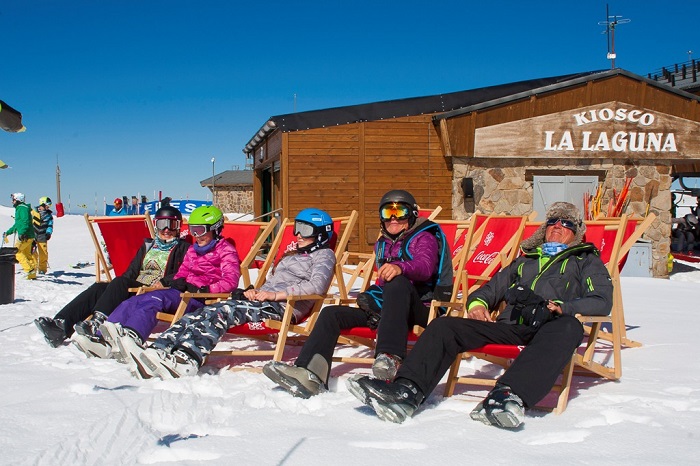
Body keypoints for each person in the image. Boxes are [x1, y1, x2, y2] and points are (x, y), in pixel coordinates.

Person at [345, 202, 614, 429]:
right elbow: (488, 290)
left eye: (566, 223)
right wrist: (477, 304)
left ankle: (509, 396)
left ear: (576, 233)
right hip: (510, 327)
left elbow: (602, 301)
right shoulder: (525, 261)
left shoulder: (585, 261)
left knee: (569, 327)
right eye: (553, 221)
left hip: (550, 328)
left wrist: (563, 307)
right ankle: (405, 391)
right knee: (444, 325)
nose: (558, 226)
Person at [263, 190, 452, 399]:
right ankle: (310, 373)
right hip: (390, 310)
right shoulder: (384, 243)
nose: (393, 218)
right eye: (388, 211)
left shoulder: (424, 237)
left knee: (397, 283)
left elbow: (424, 266)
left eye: (401, 212)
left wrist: (400, 268)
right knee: (331, 314)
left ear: (412, 214)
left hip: (423, 309)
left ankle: (390, 357)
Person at [115, 208, 337, 379]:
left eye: (305, 230)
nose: (297, 234)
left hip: (283, 307)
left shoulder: (324, 255)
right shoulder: (292, 256)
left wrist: (273, 296)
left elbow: (316, 287)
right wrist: (257, 292)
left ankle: (187, 358)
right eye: (296, 227)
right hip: (262, 301)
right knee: (202, 313)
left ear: (320, 234)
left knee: (222, 312)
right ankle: (161, 349)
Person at [75, 205, 241, 359]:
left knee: (155, 301)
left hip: (199, 297)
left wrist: (204, 289)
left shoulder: (226, 250)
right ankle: (104, 336)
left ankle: (133, 335)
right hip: (182, 292)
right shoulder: (192, 250)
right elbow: (181, 273)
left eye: (200, 230)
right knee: (135, 300)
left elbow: (230, 281)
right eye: (192, 231)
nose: (196, 236)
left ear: (216, 229)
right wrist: (178, 281)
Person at [34, 205, 190, 347]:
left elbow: (187, 271)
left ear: (178, 227)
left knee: (119, 283)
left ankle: (97, 323)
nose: (167, 229)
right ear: (156, 225)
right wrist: (116, 286)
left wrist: (164, 281)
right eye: (162, 224)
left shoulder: (184, 248)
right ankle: (60, 325)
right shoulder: (148, 245)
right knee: (99, 287)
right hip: (135, 286)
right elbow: (132, 270)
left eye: (172, 224)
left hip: (152, 291)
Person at [3, 193, 37, 279]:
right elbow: (17, 224)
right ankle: (32, 274)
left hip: (26, 235)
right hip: (28, 235)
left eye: (13, 200)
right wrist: (8, 232)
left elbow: (25, 221)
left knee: (16, 251)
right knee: (27, 254)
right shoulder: (20, 208)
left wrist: (22, 233)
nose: (12, 201)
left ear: (18, 200)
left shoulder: (22, 209)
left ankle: (29, 270)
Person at [32, 196, 54, 275]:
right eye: (48, 205)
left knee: (43, 254)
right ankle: (33, 268)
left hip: (42, 236)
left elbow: (50, 225)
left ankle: (42, 269)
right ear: (43, 204)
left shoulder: (49, 215)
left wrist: (48, 233)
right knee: (33, 253)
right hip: (33, 236)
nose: (49, 207)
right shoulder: (34, 213)